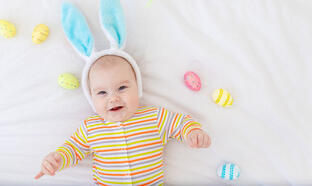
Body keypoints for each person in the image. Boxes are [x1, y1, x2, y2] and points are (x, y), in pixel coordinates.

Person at [35, 55, 211, 185]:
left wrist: (192, 132)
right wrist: (57, 159)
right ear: (91, 98)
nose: (113, 98)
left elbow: (180, 123)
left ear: (137, 88)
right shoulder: (91, 127)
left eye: (121, 88)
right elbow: (74, 149)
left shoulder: (154, 117)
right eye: (102, 93)